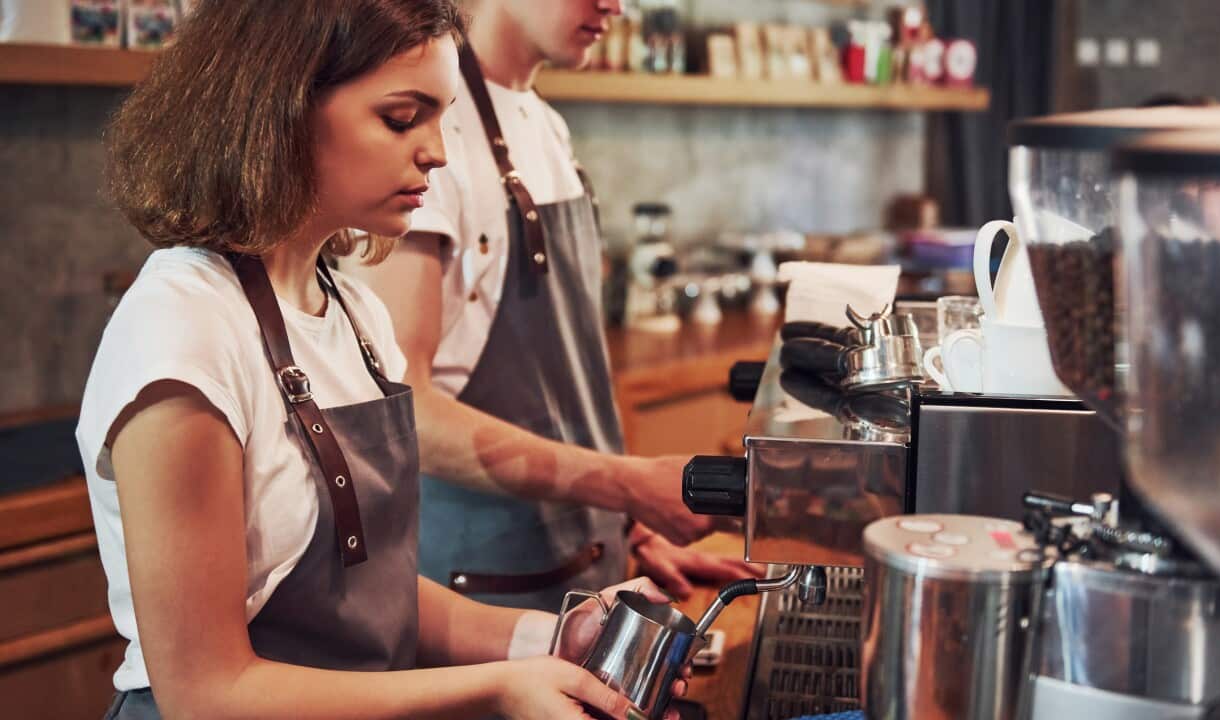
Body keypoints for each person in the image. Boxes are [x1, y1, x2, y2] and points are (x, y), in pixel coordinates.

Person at [80, 1, 684, 717]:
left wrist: (552, 639)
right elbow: (207, 693)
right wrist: (498, 686)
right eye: (403, 118)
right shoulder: (183, 333)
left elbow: (375, 598)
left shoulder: (351, 312)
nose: (437, 150)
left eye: (440, 117)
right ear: (280, 108)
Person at [343, 0, 760, 612]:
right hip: (485, 587)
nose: (615, 6)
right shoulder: (431, 141)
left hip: (585, 559)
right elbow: (408, 412)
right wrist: (630, 484)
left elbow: (564, 380)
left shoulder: (545, 126)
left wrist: (629, 526)